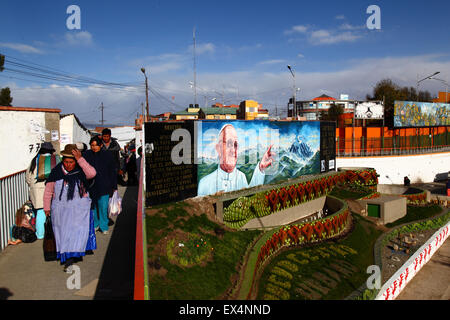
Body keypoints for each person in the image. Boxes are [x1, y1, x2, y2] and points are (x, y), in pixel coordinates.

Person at [43, 144, 96, 272]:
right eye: (66, 162)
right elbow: (48, 191)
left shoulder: (81, 170)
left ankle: (73, 256)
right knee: (63, 232)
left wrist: (80, 159)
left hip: (78, 208)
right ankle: (67, 258)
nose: (68, 165)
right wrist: (46, 207)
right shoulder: (56, 172)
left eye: (71, 162)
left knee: (76, 232)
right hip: (60, 209)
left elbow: (92, 173)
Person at [197, 124, 275, 196]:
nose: (233, 150)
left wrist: (261, 167)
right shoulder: (204, 184)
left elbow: (249, 196)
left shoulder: (241, 177)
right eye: (229, 144)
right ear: (218, 148)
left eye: (235, 145)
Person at [25, 142, 60, 240]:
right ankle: (53, 232)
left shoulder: (35, 161)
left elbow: (28, 177)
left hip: (36, 189)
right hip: (51, 188)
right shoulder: (54, 160)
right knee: (51, 211)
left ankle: (40, 234)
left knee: (40, 211)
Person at [83, 136, 118, 234]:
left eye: (96, 145)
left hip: (104, 185)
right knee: (92, 206)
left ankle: (103, 226)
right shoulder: (86, 155)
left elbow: (112, 171)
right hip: (91, 186)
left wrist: (114, 186)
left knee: (103, 207)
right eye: (92, 145)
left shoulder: (107, 155)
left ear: (101, 145)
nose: (94, 147)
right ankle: (95, 224)